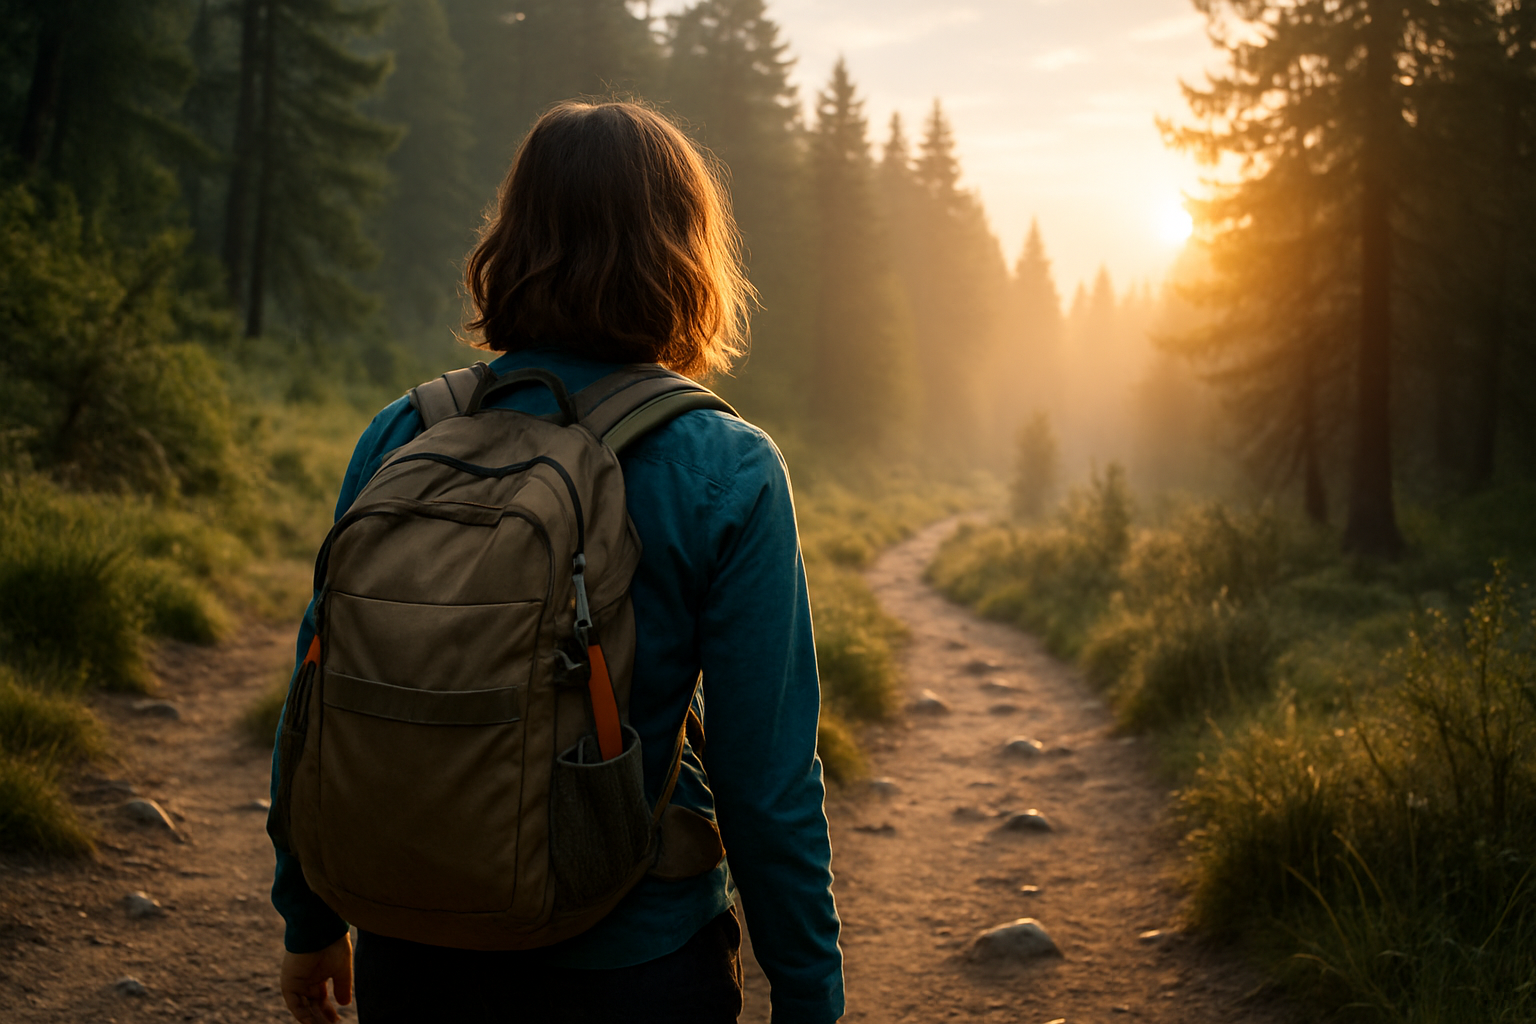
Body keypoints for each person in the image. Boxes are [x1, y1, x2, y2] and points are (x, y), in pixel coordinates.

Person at [267, 100, 844, 1024]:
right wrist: (809, 992)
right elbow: (765, 782)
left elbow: (316, 697)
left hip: (415, 949)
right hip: (636, 961)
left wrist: (308, 917)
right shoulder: (726, 467)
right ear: (686, 256)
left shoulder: (405, 432)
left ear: (513, 238)